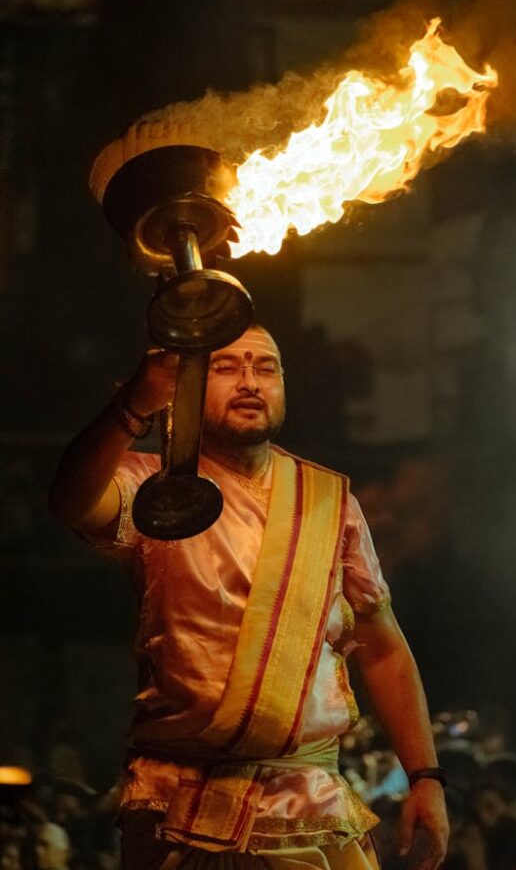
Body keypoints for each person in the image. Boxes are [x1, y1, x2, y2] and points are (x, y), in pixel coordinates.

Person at [49, 325, 449, 870]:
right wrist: (131, 407)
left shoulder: (330, 501)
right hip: (178, 804)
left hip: (310, 800)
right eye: (225, 366)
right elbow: (72, 503)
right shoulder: (156, 489)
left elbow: (383, 647)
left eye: (265, 367)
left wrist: (426, 776)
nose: (249, 382)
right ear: (187, 385)